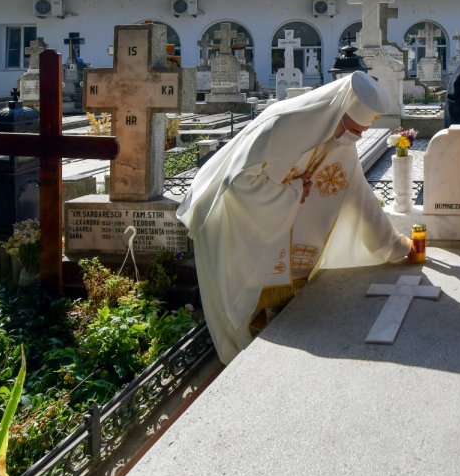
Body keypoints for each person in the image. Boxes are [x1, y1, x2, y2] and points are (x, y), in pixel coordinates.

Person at [177, 72, 412, 364]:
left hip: (286, 245)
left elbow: (359, 196)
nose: (356, 138)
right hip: (234, 219)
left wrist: (393, 246)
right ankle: (247, 361)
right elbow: (237, 184)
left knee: (282, 309)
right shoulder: (283, 125)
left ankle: (269, 349)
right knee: (242, 307)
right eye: (354, 130)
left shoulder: (341, 142)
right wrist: (294, 191)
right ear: (338, 114)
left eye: (361, 133)